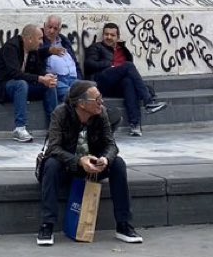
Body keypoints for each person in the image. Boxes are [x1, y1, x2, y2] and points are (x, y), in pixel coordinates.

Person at [35, 80, 143, 246]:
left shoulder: (101, 113)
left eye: (101, 98)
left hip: (93, 167)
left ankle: (123, 225)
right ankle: (47, 225)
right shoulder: (60, 114)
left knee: (118, 164)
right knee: (51, 164)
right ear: (81, 104)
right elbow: (53, 148)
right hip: (67, 166)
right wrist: (79, 161)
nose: (101, 102)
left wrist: (105, 159)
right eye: (97, 99)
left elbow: (111, 144)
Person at [83, 22, 166, 136]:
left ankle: (135, 125)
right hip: (102, 81)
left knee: (128, 82)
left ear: (118, 37)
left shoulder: (123, 50)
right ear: (103, 35)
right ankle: (149, 101)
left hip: (117, 85)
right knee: (128, 65)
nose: (109, 37)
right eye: (106, 34)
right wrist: (109, 65)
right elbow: (89, 64)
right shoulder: (97, 47)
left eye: (112, 35)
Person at [0, 24, 58, 142]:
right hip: (0, 87)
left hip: (21, 88)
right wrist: (40, 78)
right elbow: (15, 74)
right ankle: (20, 128)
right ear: (29, 39)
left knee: (49, 85)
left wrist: (46, 76)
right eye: (39, 38)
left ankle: (55, 127)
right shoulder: (11, 47)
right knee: (21, 84)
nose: (41, 42)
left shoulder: (33, 50)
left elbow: (37, 70)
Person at [40, 15, 80, 102]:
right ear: (44, 26)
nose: (51, 31)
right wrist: (49, 50)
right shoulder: (40, 40)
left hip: (73, 78)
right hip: (56, 79)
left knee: (89, 91)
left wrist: (80, 78)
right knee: (71, 95)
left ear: (60, 29)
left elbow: (75, 62)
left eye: (55, 28)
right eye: (49, 27)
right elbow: (37, 55)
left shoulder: (64, 41)